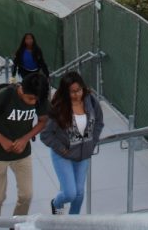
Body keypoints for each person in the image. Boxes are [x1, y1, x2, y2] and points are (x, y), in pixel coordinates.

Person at [0, 72, 49, 217]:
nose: (34, 103)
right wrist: (0, 138)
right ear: (22, 90)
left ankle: (17, 224)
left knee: (26, 196)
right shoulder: (4, 96)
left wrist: (25, 138)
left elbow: (43, 121)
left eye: (37, 99)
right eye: (31, 98)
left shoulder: (39, 97)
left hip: (22, 154)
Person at [41, 71, 104, 215]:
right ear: (65, 92)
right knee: (70, 193)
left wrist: (92, 142)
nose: (76, 95)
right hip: (63, 155)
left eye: (79, 90)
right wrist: (61, 149)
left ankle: (73, 222)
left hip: (83, 155)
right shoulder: (58, 108)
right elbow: (45, 135)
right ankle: (56, 203)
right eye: (72, 92)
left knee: (80, 193)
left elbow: (99, 122)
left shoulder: (91, 101)